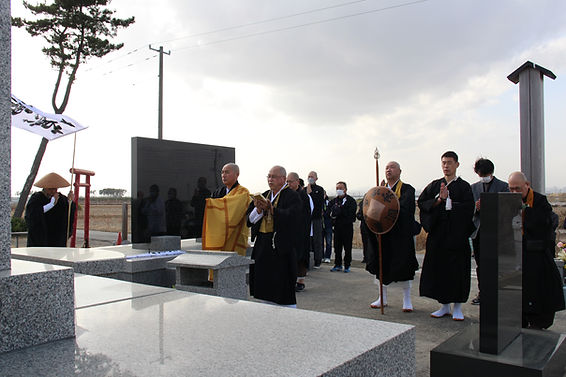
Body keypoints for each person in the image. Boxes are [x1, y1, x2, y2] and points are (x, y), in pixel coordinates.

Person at [418, 151, 475, 321]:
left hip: (457, 237)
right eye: (443, 162)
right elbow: (422, 203)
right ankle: (444, 306)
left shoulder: (464, 187)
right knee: (439, 270)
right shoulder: (435, 185)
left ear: (457, 164)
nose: (446, 166)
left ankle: (457, 307)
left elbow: (468, 209)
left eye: (449, 162)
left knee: (457, 272)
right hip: (438, 236)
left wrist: (449, 203)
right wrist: (438, 201)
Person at [508, 171, 565, 329]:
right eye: (511, 189)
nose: (514, 193)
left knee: (539, 291)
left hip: (537, 255)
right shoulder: (506, 201)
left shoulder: (540, 201)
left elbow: (542, 225)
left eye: (517, 189)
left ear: (527, 185)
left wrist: (524, 210)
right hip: (516, 255)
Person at [366, 161, 419, 312]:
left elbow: (405, 207)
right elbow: (369, 208)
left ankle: (407, 299)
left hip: (400, 236)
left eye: (392, 167)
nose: (389, 170)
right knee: (381, 265)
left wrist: (386, 200)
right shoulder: (379, 190)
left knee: (404, 266)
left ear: (400, 171)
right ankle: (382, 297)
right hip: (383, 235)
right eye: (387, 168)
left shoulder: (407, 189)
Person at [247, 166, 301, 306]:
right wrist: (259, 209)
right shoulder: (264, 195)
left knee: (282, 281)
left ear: (283, 179)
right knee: (263, 280)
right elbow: (250, 220)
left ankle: (286, 309)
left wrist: (272, 209)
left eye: (274, 177)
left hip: (281, 245)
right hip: (263, 243)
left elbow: (293, 217)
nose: (270, 179)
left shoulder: (292, 196)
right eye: (269, 176)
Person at [469, 158, 509, 305]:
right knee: (481, 265)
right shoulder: (473, 188)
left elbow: (508, 209)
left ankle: (498, 292)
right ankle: (483, 292)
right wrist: (476, 207)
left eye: (485, 174)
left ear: (491, 172)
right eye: (480, 174)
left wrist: (491, 206)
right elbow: (468, 210)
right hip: (478, 232)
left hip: (496, 231)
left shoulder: (503, 186)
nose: (483, 177)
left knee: (497, 264)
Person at [202, 163, 250, 256]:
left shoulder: (243, 192)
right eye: (222, 172)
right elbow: (213, 213)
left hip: (235, 234)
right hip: (219, 234)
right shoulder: (218, 192)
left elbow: (235, 213)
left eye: (227, 172)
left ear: (237, 174)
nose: (224, 175)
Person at [25, 172, 76, 247]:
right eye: (50, 189)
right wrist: (50, 205)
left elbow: (68, 213)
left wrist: (70, 202)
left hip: (56, 239)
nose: (53, 191)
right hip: (41, 240)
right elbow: (33, 215)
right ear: (44, 188)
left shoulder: (61, 199)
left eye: (54, 189)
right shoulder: (36, 198)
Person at [287, 172, 312, 292]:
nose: (289, 184)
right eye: (287, 182)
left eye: (291, 181)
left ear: (297, 181)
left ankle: (300, 281)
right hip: (290, 231)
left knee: (301, 256)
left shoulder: (303, 195)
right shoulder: (288, 194)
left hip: (302, 231)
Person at [329, 181, 357, 273]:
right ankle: (337, 264)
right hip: (337, 228)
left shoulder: (351, 201)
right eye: (337, 188)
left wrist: (341, 210)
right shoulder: (333, 201)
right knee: (337, 247)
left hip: (347, 228)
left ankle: (347, 265)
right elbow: (329, 213)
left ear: (345, 189)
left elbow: (352, 216)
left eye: (341, 188)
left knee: (347, 247)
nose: (339, 190)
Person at [307, 171, 325, 268]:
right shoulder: (305, 189)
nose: (310, 178)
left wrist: (311, 193)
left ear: (316, 178)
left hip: (316, 219)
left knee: (317, 240)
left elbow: (318, 203)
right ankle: (308, 259)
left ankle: (318, 260)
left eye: (312, 177)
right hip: (307, 220)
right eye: (309, 176)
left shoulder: (319, 189)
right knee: (308, 240)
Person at [322, 194, 333, 263]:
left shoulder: (329, 203)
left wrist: (324, 213)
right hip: (321, 225)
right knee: (321, 242)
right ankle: (321, 256)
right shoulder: (319, 202)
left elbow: (329, 213)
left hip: (328, 225)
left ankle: (327, 256)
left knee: (328, 242)